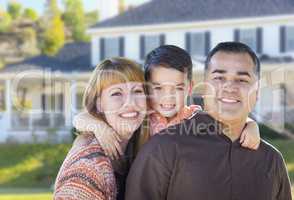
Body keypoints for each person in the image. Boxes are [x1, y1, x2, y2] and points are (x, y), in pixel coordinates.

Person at [125, 42, 292, 200]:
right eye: (219, 78)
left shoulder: (272, 161)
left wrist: (251, 124)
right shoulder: (160, 149)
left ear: (257, 93)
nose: (229, 87)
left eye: (242, 80)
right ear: (203, 89)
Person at [72, 45, 260, 160]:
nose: (167, 98)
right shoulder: (142, 113)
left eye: (177, 88)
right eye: (158, 88)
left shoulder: (194, 116)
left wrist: (251, 125)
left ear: (189, 88)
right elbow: (81, 117)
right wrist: (99, 128)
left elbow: (228, 122)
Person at [53, 58, 147, 200]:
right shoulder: (87, 168)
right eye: (116, 93)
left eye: (137, 91)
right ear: (99, 104)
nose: (130, 102)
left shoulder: (137, 147)